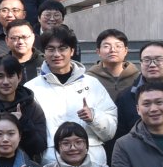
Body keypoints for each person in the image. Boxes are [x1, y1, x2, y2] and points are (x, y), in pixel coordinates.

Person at [23, 26, 116, 159]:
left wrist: (94, 117)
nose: (56, 54)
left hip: (92, 160)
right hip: (52, 162)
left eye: (62, 48)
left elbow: (110, 131)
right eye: (51, 49)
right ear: (44, 52)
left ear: (72, 51)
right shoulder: (32, 88)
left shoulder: (92, 84)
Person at [90, 29, 139, 102]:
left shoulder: (138, 78)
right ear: (98, 51)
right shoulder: (89, 79)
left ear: (126, 51)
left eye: (118, 46)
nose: (113, 50)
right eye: (106, 46)